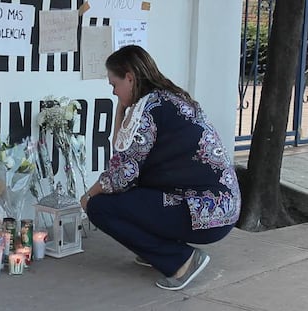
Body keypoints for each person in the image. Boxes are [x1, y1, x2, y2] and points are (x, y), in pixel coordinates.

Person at [80, 45, 241, 291]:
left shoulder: (149, 110)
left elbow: (122, 174)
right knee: (133, 192)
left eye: (114, 84)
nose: (113, 92)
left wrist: (88, 195)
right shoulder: (167, 98)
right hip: (221, 207)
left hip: (204, 211)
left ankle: (181, 261)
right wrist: (121, 113)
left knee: (99, 207)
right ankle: (157, 250)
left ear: (130, 78)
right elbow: (124, 158)